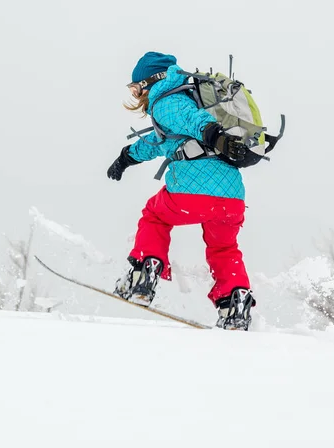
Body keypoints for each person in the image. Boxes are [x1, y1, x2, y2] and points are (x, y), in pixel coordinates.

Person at [107, 51, 255, 330]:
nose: (137, 94)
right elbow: (156, 141)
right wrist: (126, 157)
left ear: (152, 81)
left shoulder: (167, 101)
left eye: (136, 87)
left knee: (155, 215)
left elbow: (194, 121)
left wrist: (216, 137)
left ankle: (144, 274)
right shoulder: (185, 100)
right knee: (224, 247)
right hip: (232, 198)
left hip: (193, 192)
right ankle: (235, 303)